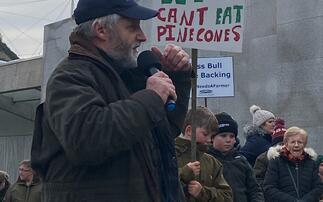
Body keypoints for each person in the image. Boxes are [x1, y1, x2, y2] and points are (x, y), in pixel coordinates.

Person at [30, 0, 192, 201]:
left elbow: (165, 129)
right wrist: (151, 97)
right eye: (132, 27)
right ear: (101, 30)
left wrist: (177, 77)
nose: (142, 36)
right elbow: (87, 140)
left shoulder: (124, 76)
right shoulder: (69, 78)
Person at [175, 107, 233, 202]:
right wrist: (183, 173)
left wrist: (202, 192)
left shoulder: (212, 162)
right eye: (205, 134)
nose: (209, 140)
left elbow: (227, 197)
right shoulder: (169, 155)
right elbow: (157, 183)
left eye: (212, 136)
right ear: (189, 130)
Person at [208, 112, 264, 202]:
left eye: (232, 136)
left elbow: (254, 189)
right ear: (212, 138)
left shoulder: (241, 160)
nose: (228, 140)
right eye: (223, 136)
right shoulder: (207, 160)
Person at [263, 127, 323, 202]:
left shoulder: (311, 163)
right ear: (286, 144)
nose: (296, 145)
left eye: (300, 142)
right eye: (293, 142)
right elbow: (269, 188)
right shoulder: (275, 162)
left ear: (304, 145)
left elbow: (318, 187)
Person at [253, 118, 286, 188]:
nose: (282, 146)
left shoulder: (294, 156)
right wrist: (270, 189)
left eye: (285, 143)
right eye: (280, 144)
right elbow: (257, 180)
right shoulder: (263, 158)